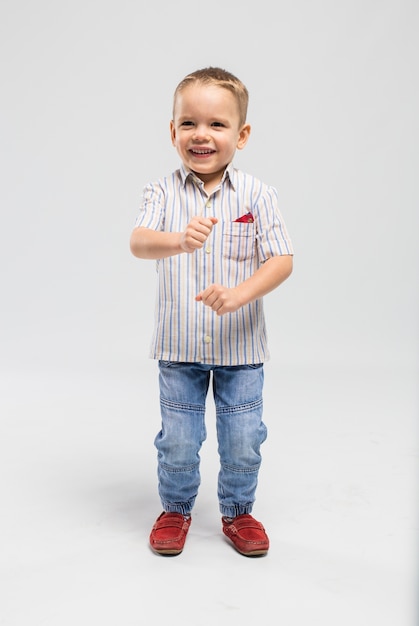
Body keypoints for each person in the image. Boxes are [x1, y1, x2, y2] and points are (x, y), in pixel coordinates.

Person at [130, 67, 293, 557]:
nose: (202, 134)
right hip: (178, 347)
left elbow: (282, 259)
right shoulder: (161, 192)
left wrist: (241, 294)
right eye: (189, 123)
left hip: (240, 348)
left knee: (243, 437)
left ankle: (238, 511)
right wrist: (178, 240)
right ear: (173, 131)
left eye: (217, 124)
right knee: (178, 439)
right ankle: (175, 509)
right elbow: (139, 242)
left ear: (241, 135)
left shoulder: (258, 195)